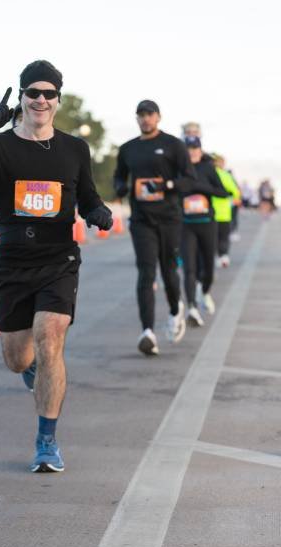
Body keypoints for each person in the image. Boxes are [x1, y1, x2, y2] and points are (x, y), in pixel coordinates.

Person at [0, 60, 112, 473]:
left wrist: (97, 211)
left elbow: (87, 196)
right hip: (12, 260)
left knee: (50, 336)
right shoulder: (0, 145)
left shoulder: (75, 149)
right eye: (33, 93)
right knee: (16, 358)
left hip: (58, 258)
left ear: (58, 99)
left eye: (49, 93)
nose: (40, 100)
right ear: (22, 97)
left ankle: (47, 441)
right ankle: (30, 370)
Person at [114, 100, 196, 356]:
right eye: (141, 115)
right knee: (146, 272)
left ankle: (174, 311)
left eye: (150, 114)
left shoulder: (173, 145)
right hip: (141, 220)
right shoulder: (128, 148)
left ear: (158, 117)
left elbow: (190, 179)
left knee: (169, 271)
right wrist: (120, 187)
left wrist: (167, 186)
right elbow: (119, 176)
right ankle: (147, 332)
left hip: (169, 218)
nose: (145, 119)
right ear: (136, 118)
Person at [181, 136, 227, 325]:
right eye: (189, 148)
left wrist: (201, 187)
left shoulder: (208, 168)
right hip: (186, 225)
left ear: (200, 150)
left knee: (208, 268)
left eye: (195, 148)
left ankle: (205, 292)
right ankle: (191, 308)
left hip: (207, 223)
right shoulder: (178, 168)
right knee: (189, 268)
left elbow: (223, 192)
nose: (192, 151)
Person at [211, 154, 240, 267]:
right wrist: (234, 199)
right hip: (224, 212)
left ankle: (213, 257)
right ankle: (223, 256)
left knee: (212, 238)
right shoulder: (225, 175)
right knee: (223, 237)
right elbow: (235, 192)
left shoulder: (207, 174)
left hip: (209, 213)